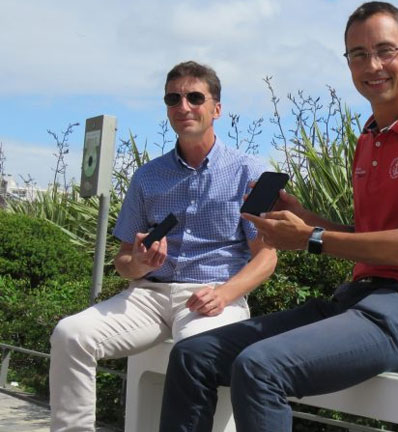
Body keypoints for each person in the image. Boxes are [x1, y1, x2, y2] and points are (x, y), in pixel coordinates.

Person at [158, 2, 398, 430]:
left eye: (385, 51)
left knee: (260, 368)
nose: (373, 65)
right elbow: (370, 236)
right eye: (358, 55)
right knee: (193, 355)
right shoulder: (370, 140)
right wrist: (305, 217)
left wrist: (309, 238)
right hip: (358, 299)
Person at [48, 61, 277, 431]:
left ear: (216, 108)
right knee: (70, 335)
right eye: (173, 98)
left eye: (194, 97)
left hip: (212, 295)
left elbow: (266, 257)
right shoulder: (147, 176)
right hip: (147, 297)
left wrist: (224, 293)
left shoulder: (249, 172)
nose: (183, 106)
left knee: (196, 352)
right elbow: (123, 261)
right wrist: (138, 263)